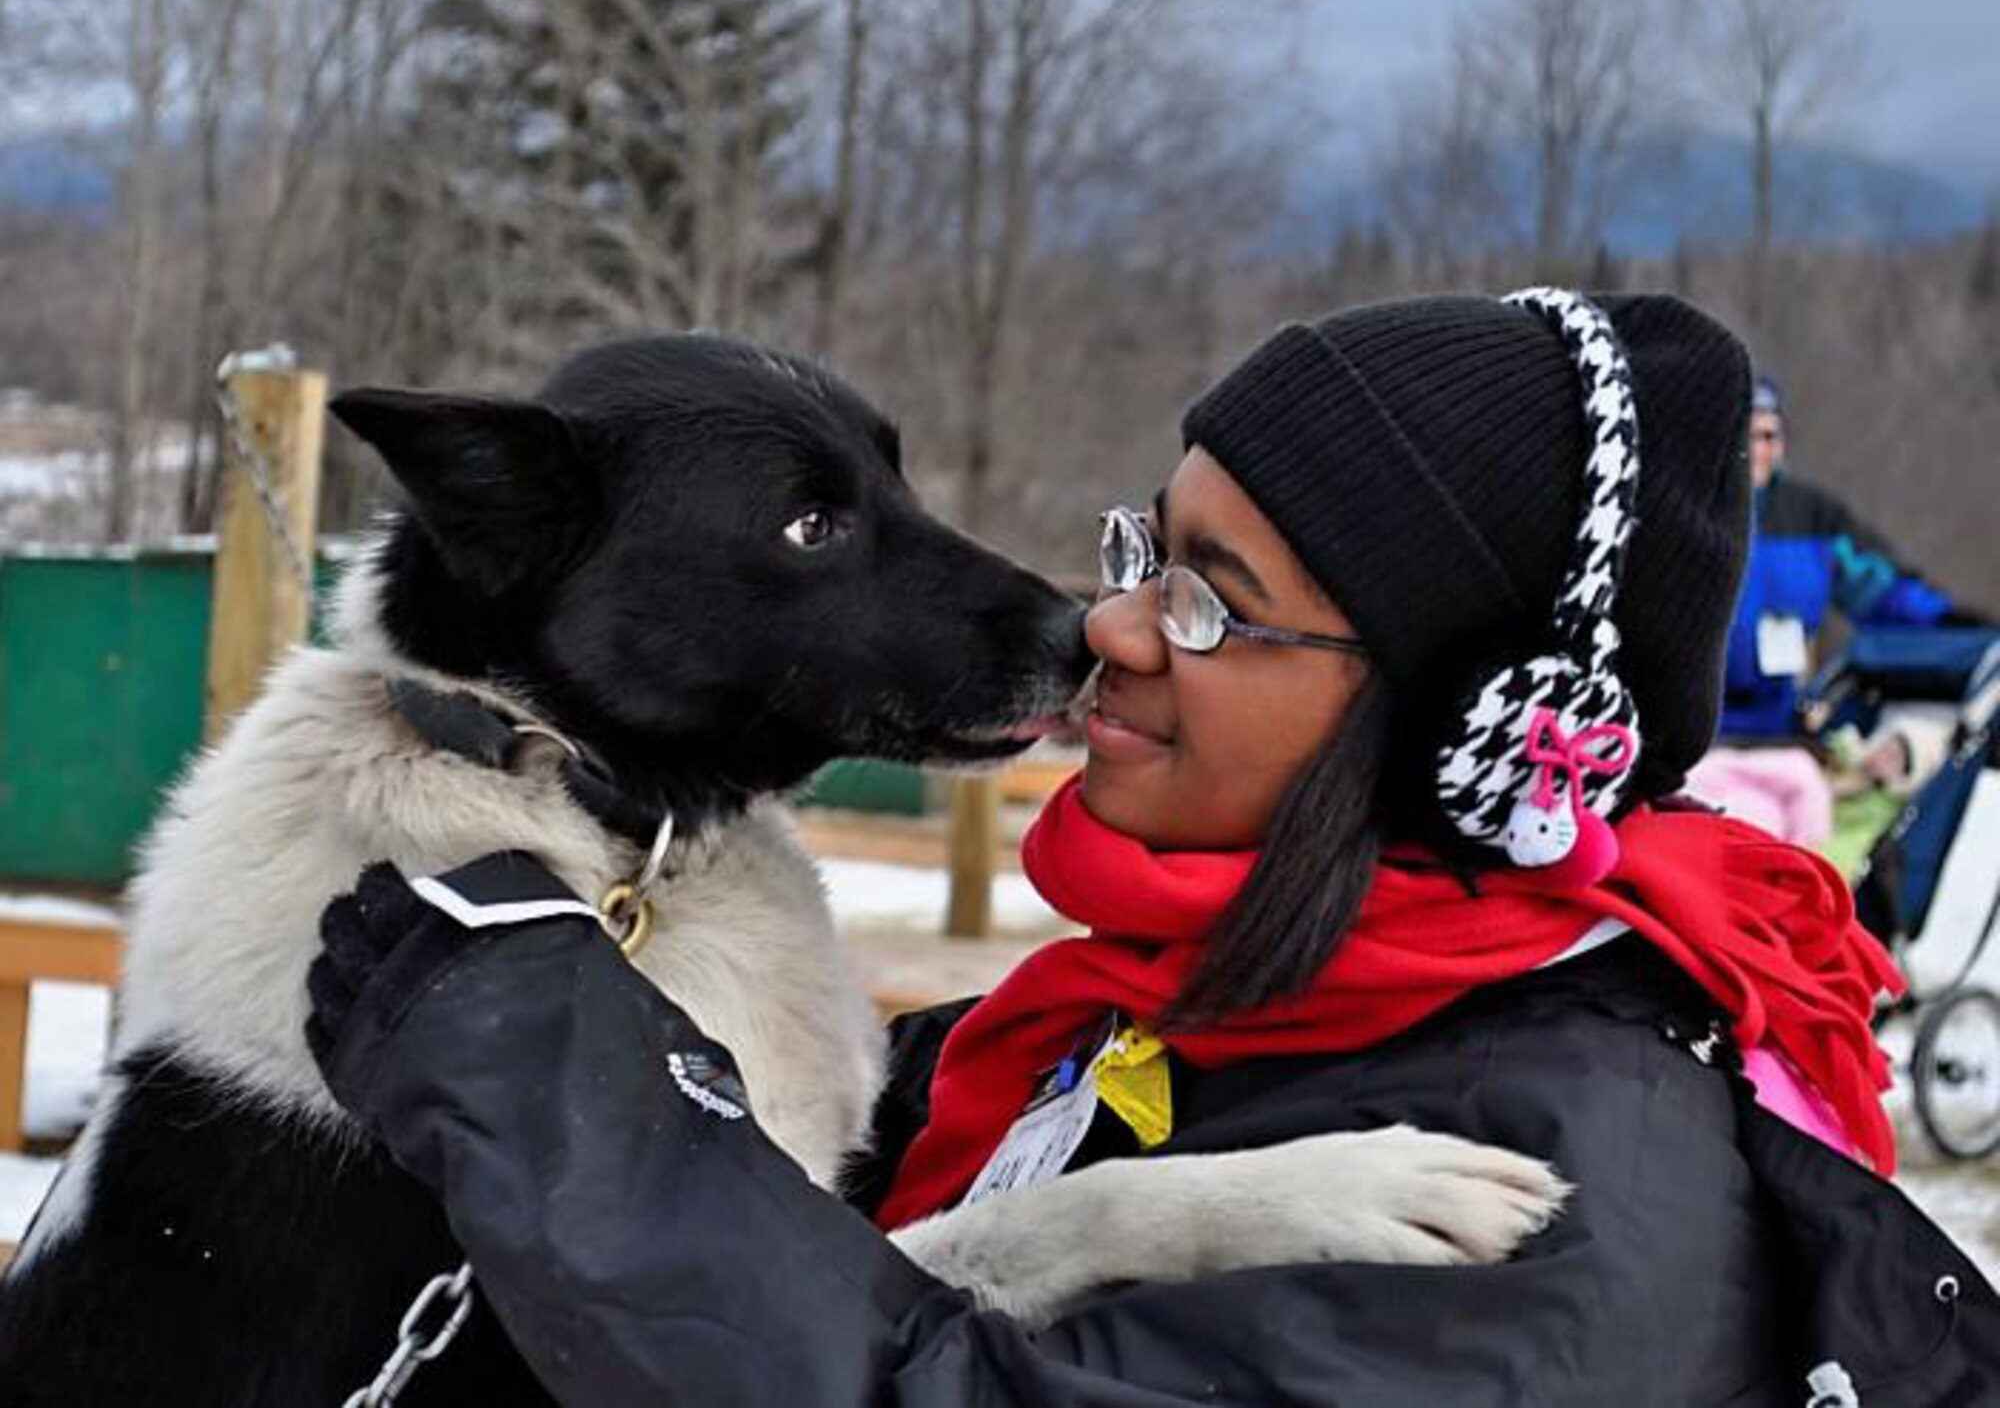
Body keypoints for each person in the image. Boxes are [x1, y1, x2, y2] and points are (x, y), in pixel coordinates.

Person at [306, 290, 2000, 1405]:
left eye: (1213, 599)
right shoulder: (1195, 1010)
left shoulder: (1554, 1216)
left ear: (1422, 714)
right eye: (1148, 547)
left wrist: (585, 1114)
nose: (1111, 623)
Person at [1722, 375, 1961, 739]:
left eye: (1768, 436)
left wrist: (1957, 624)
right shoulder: (1691, 511)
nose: (1757, 449)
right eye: (1746, 436)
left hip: (1786, 728)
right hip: (1699, 732)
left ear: (1783, 443)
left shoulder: (1814, 516)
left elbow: (1884, 591)